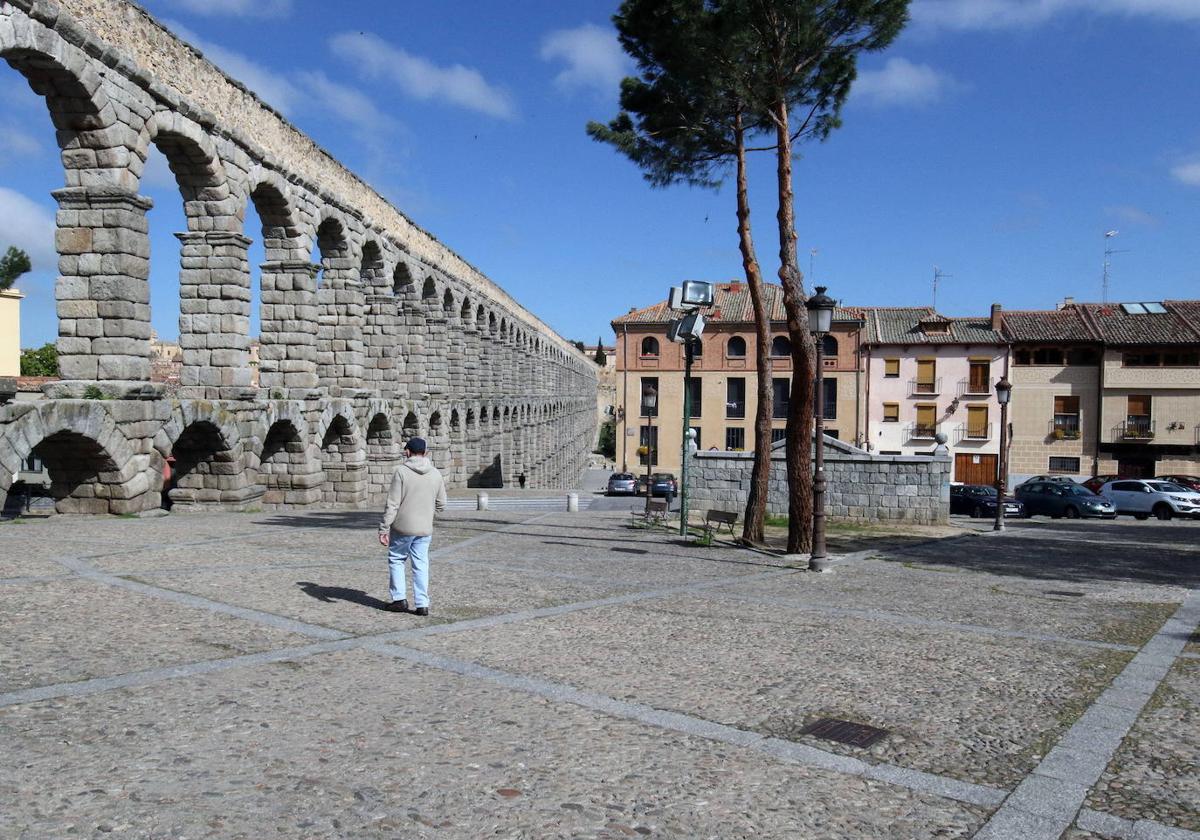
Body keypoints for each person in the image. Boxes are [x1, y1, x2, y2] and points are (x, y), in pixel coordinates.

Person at [377, 437, 447, 616]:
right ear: (425, 453)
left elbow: (392, 503)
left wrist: (384, 528)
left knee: (397, 559)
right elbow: (442, 504)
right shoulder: (436, 474)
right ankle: (422, 604)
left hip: (402, 527)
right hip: (424, 528)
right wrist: (428, 514)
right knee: (421, 564)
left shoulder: (401, 471)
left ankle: (399, 599)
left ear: (407, 452)